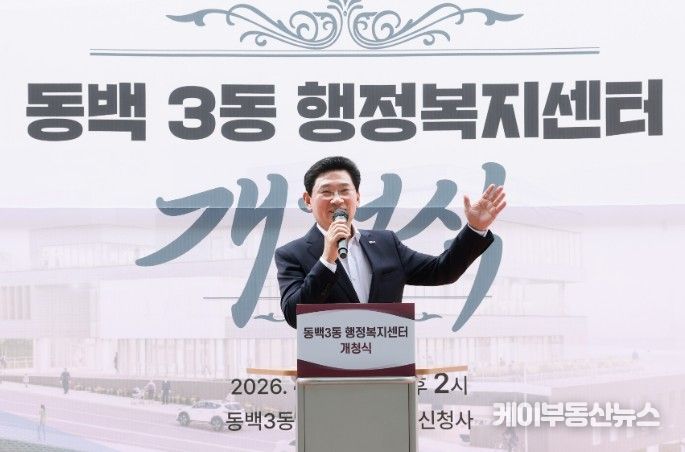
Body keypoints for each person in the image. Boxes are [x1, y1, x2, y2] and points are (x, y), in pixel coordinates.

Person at [275, 156, 506, 328]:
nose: (337, 199)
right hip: (328, 370)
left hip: (388, 366)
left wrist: (476, 228)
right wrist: (327, 260)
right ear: (308, 200)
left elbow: (442, 270)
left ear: (357, 197)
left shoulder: (386, 243)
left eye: (345, 190)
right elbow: (294, 315)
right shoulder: (292, 254)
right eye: (326, 192)